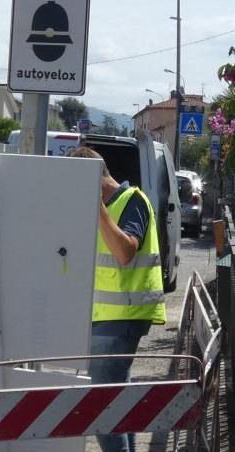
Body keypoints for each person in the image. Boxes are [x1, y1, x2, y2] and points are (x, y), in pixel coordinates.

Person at [68, 147, 166, 452]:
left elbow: (125, 253)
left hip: (123, 314)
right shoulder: (99, 207)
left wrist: (97, 209)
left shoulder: (132, 201)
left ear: (93, 179)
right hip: (104, 315)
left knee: (101, 402)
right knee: (116, 398)